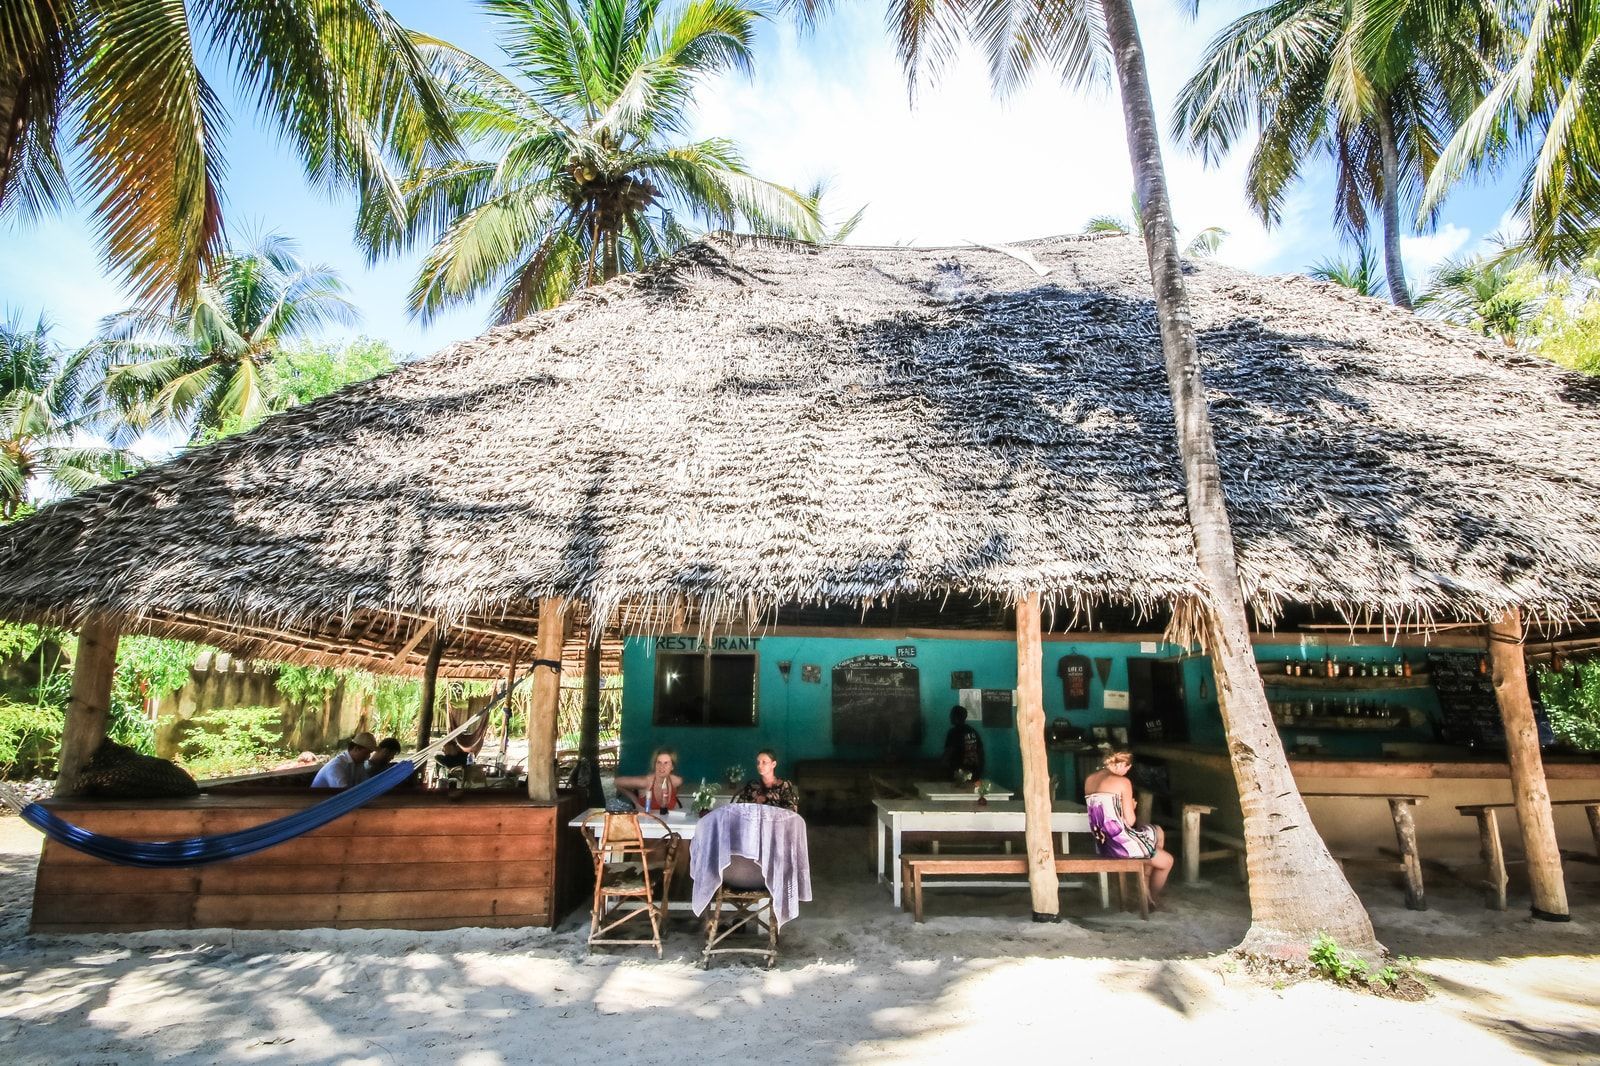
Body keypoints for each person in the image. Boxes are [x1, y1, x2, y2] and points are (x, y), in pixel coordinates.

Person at [1082, 748, 1174, 907]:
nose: (1127, 772)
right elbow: (1130, 821)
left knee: (1157, 831)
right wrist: (1132, 806)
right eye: (1127, 768)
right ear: (1122, 764)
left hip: (1102, 845)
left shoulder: (1090, 780)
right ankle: (1151, 897)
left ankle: (1145, 884)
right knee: (1167, 860)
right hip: (1121, 844)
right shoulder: (1123, 782)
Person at [614, 748, 683, 812]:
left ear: (672, 767)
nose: (662, 766)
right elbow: (617, 782)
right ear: (655, 765)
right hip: (646, 820)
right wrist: (636, 803)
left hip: (668, 820)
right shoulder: (646, 782)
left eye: (666, 763)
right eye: (659, 762)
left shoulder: (676, 782)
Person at [733, 749, 799, 812]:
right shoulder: (752, 786)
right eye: (758, 762)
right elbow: (739, 808)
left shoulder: (784, 785)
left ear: (773, 764)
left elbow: (791, 811)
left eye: (764, 762)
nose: (759, 766)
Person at [311, 732, 377, 789]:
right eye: (366, 753)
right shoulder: (336, 766)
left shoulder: (358, 763)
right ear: (356, 749)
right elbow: (342, 793)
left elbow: (366, 783)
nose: (368, 757)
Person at [942, 705, 985, 778]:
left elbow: (948, 752)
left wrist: (943, 767)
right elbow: (980, 753)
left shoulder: (953, 733)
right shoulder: (973, 732)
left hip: (958, 773)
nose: (950, 717)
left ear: (956, 717)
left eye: (951, 715)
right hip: (973, 771)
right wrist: (978, 772)